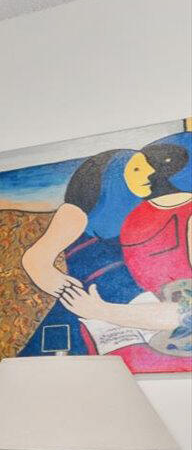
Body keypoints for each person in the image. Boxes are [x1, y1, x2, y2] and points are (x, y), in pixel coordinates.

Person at [18, 136, 190, 366]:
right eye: (137, 169)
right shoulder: (78, 211)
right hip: (87, 306)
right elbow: (36, 259)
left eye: (150, 168)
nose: (149, 175)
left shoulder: (145, 211)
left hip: (135, 305)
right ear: (110, 175)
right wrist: (69, 292)